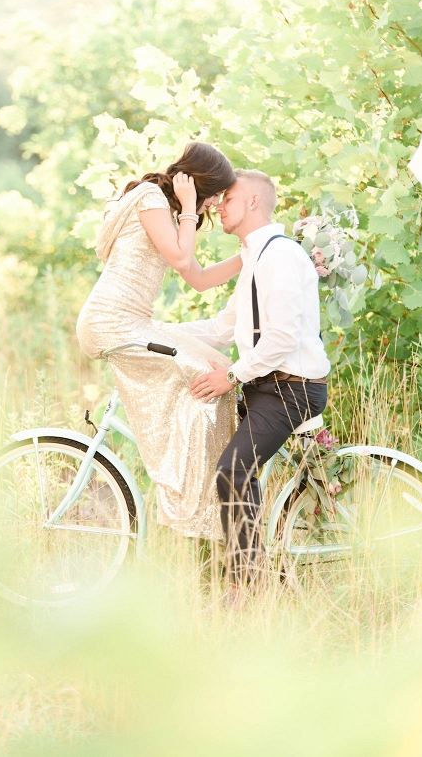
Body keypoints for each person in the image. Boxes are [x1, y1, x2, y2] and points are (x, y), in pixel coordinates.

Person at [77, 142, 241, 539]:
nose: (213, 205)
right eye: (213, 194)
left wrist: (252, 253)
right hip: (112, 323)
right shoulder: (152, 198)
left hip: (133, 322)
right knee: (205, 380)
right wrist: (187, 204)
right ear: (196, 182)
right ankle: (190, 505)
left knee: (219, 371)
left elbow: (198, 280)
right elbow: (184, 260)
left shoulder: (165, 210)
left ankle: (206, 503)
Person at [179, 168, 330, 584]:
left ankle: (248, 588)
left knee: (233, 472)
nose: (218, 205)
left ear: (251, 202)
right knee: (235, 472)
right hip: (267, 386)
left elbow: (281, 337)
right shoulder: (255, 257)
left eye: (227, 197)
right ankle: (253, 570)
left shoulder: (279, 255)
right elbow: (221, 329)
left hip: (291, 389)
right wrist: (153, 332)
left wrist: (231, 374)